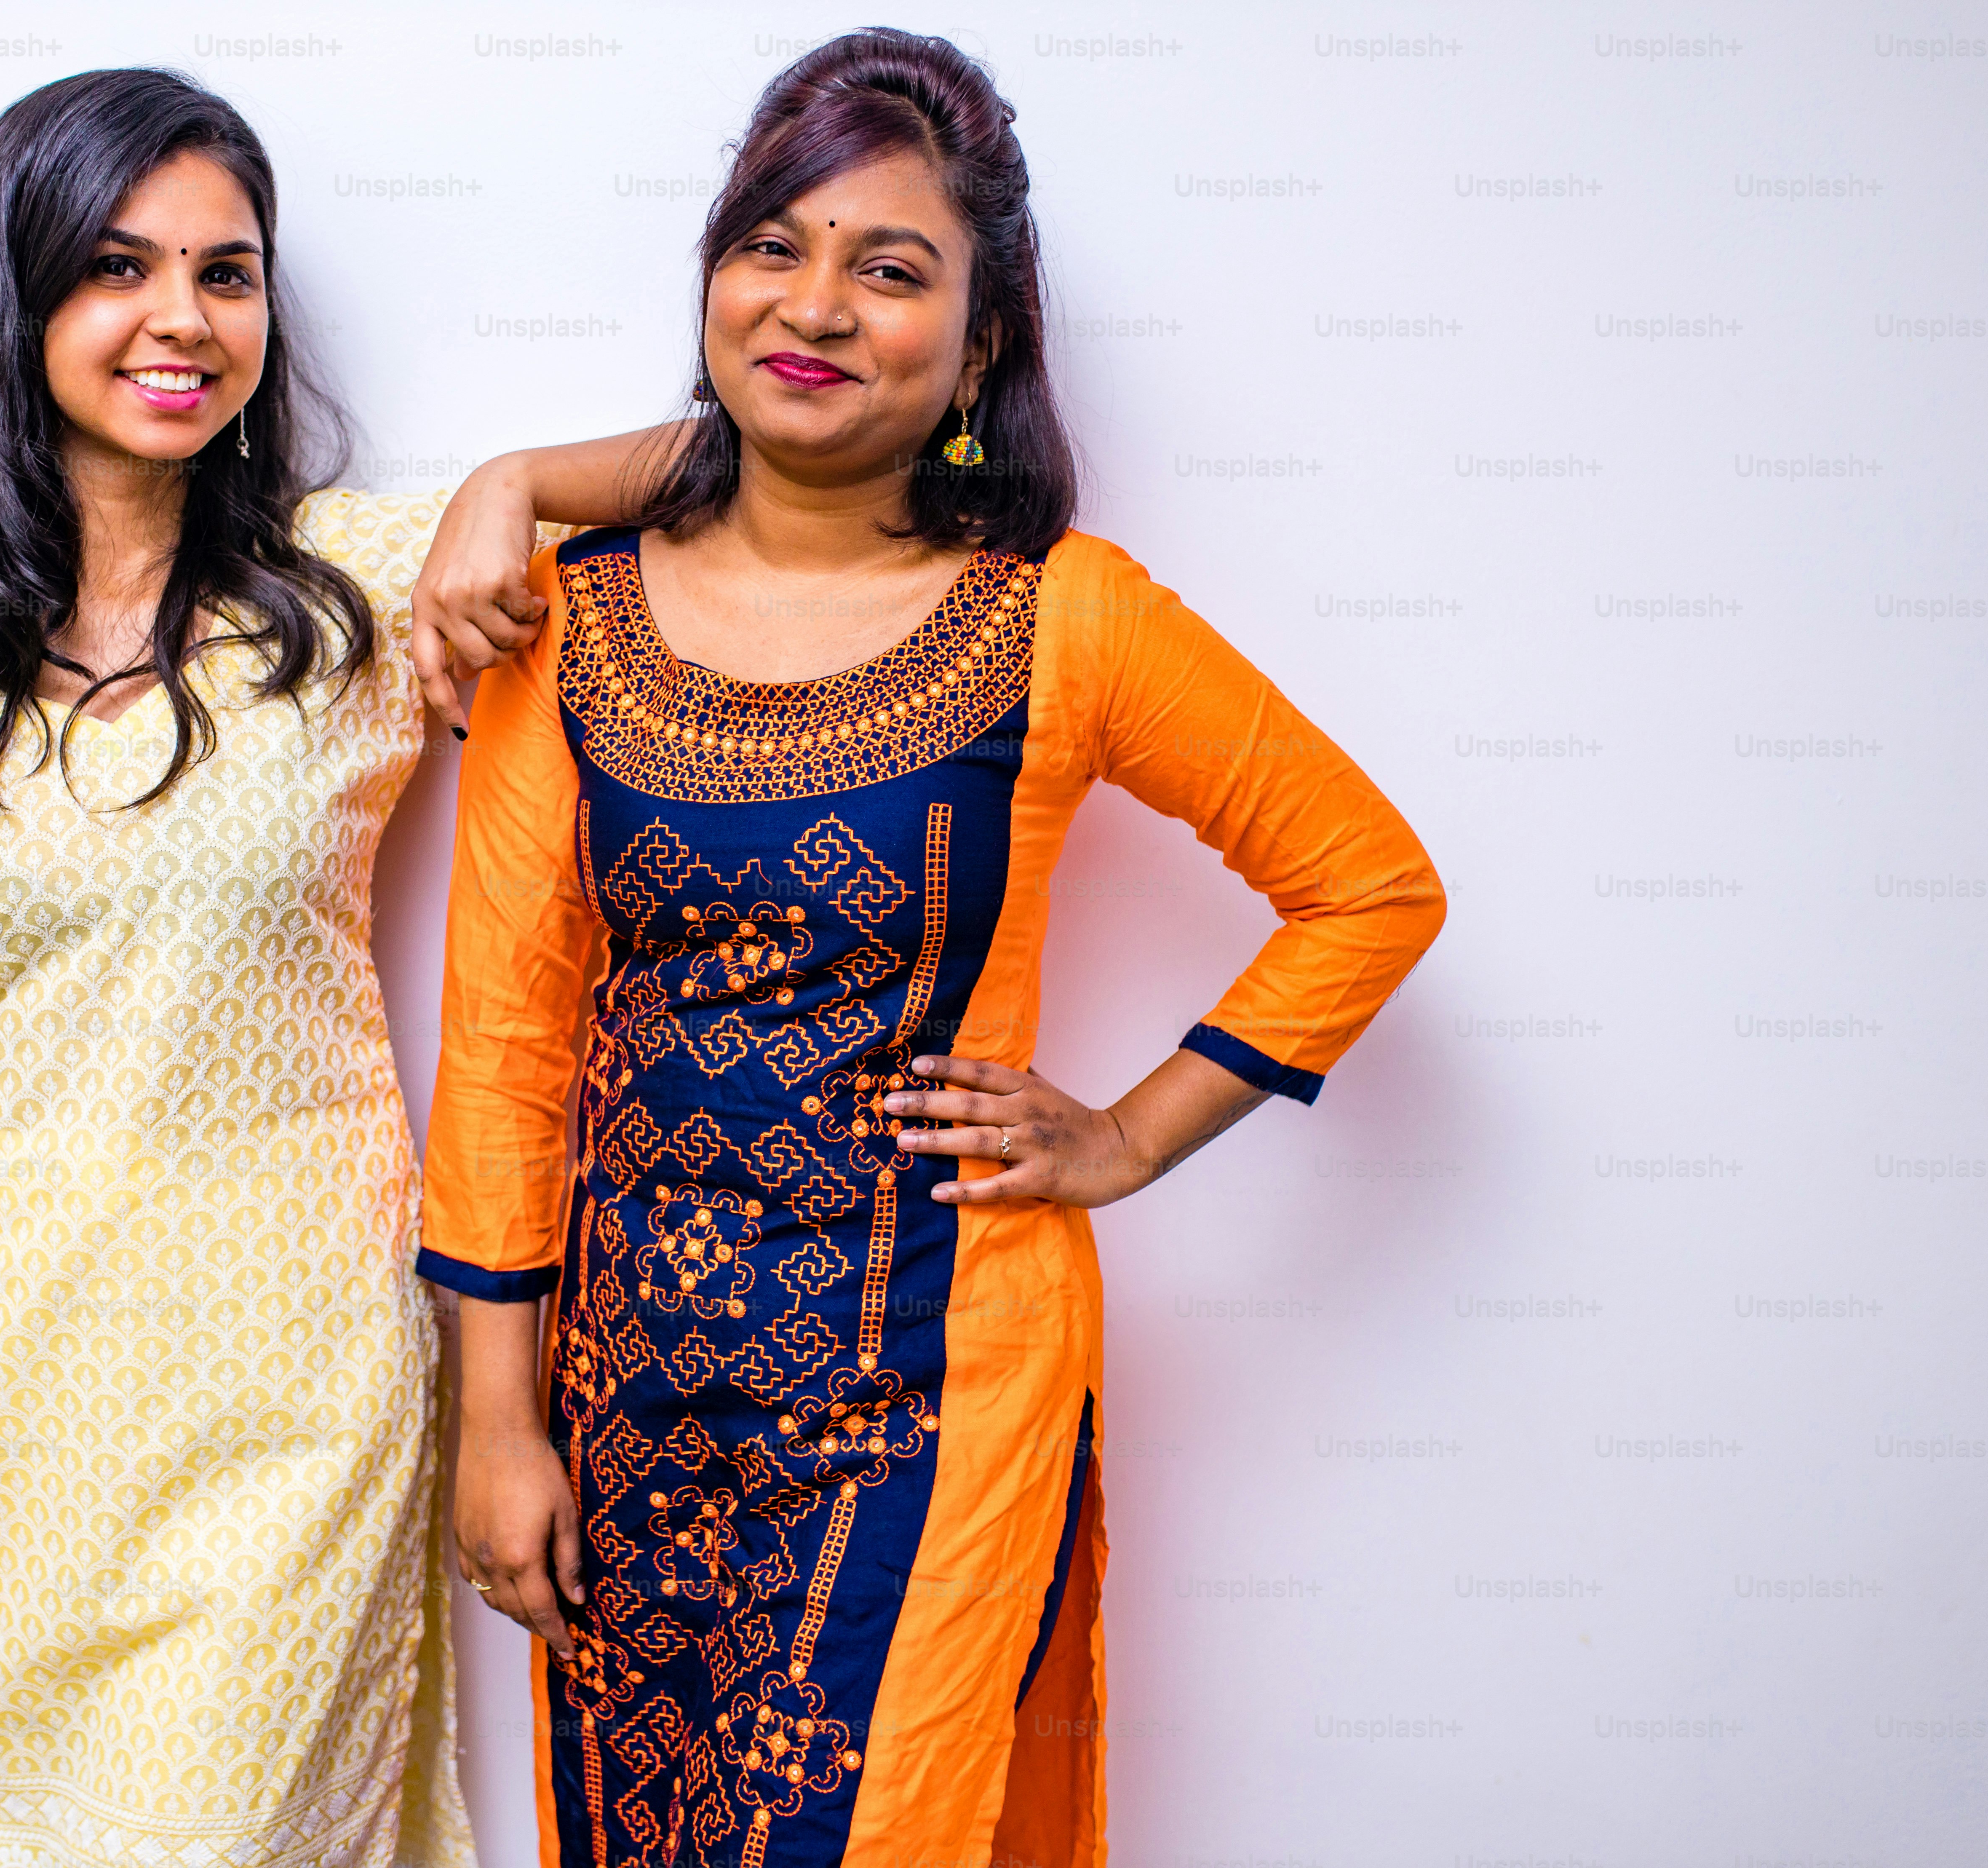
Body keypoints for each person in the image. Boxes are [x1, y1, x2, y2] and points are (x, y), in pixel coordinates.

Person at [419, 30, 1448, 1868]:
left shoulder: (1064, 620)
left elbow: (1366, 884)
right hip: (629, 1406)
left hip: (932, 1377)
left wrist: (1126, 1136)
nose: (813, 305)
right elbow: (504, 1049)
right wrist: (497, 1425)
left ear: (975, 349)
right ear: (715, 281)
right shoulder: (557, 627)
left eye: (890, 268)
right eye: (772, 247)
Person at [0, 67, 657, 1867]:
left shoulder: (352, 591)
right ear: (20, 293)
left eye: (229, 271)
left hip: (292, 1412)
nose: (182, 319)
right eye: (119, 268)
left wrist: (513, 483)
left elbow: (730, 462)